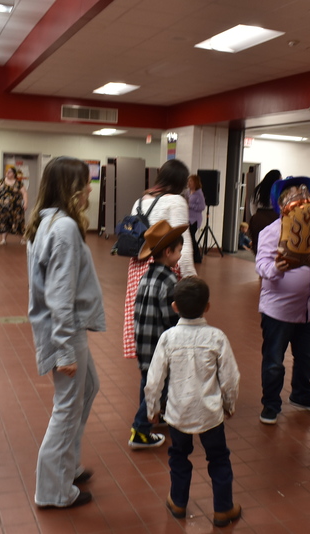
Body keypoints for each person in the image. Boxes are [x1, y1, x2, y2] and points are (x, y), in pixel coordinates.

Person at [26, 156, 103, 509]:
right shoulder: (64, 229)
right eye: (85, 183)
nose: (90, 188)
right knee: (67, 407)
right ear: (71, 189)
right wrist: (65, 350)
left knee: (88, 388)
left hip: (63, 328)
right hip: (65, 331)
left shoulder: (48, 222)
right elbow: (59, 294)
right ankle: (53, 491)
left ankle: (66, 467)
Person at [144, 276, 241, 527]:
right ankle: (223, 509)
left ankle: (178, 501)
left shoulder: (168, 338)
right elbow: (230, 377)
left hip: (178, 414)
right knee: (218, 458)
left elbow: (154, 379)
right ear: (207, 306)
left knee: (178, 456)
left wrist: (153, 408)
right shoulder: (217, 337)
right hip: (210, 414)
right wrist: (229, 404)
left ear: (174, 306)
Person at [256, 176, 310, 425]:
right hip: (277, 311)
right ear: (282, 202)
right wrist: (276, 267)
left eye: (303, 192)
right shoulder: (271, 232)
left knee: (307, 356)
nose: (300, 196)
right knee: (274, 361)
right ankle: (271, 404)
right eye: (293, 193)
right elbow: (262, 266)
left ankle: (301, 394)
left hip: (307, 310)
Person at [122, 160, 196, 364]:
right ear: (180, 182)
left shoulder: (139, 201)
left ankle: (148, 363)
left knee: (146, 318)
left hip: (138, 266)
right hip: (163, 266)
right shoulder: (176, 201)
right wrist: (191, 279)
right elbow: (185, 244)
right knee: (168, 321)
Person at [128, 220, 184, 449]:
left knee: (148, 384)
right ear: (169, 252)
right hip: (159, 345)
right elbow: (170, 318)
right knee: (159, 385)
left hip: (143, 341)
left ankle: (154, 416)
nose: (180, 255)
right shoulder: (169, 280)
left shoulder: (147, 275)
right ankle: (140, 429)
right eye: (179, 251)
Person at [248, 170, 281, 255]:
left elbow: (252, 205)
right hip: (273, 218)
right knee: (273, 243)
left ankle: (260, 261)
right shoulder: (277, 190)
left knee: (259, 243)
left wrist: (256, 216)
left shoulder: (258, 189)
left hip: (258, 218)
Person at [0, 166, 27, 245]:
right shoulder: (1, 181)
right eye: (7, 171)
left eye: (10, 171)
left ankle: (22, 239)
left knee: (18, 222)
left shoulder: (18, 183)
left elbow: (24, 193)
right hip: (1, 208)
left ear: (14, 174)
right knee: (3, 222)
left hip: (15, 207)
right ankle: (3, 239)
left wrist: (25, 203)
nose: (7, 172)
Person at [185, 174, 205, 264]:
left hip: (195, 220)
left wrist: (189, 205)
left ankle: (197, 257)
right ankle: (193, 256)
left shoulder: (199, 193)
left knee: (191, 238)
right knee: (189, 238)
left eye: (191, 181)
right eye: (188, 181)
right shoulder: (188, 192)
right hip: (188, 219)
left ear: (195, 182)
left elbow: (202, 207)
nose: (189, 183)